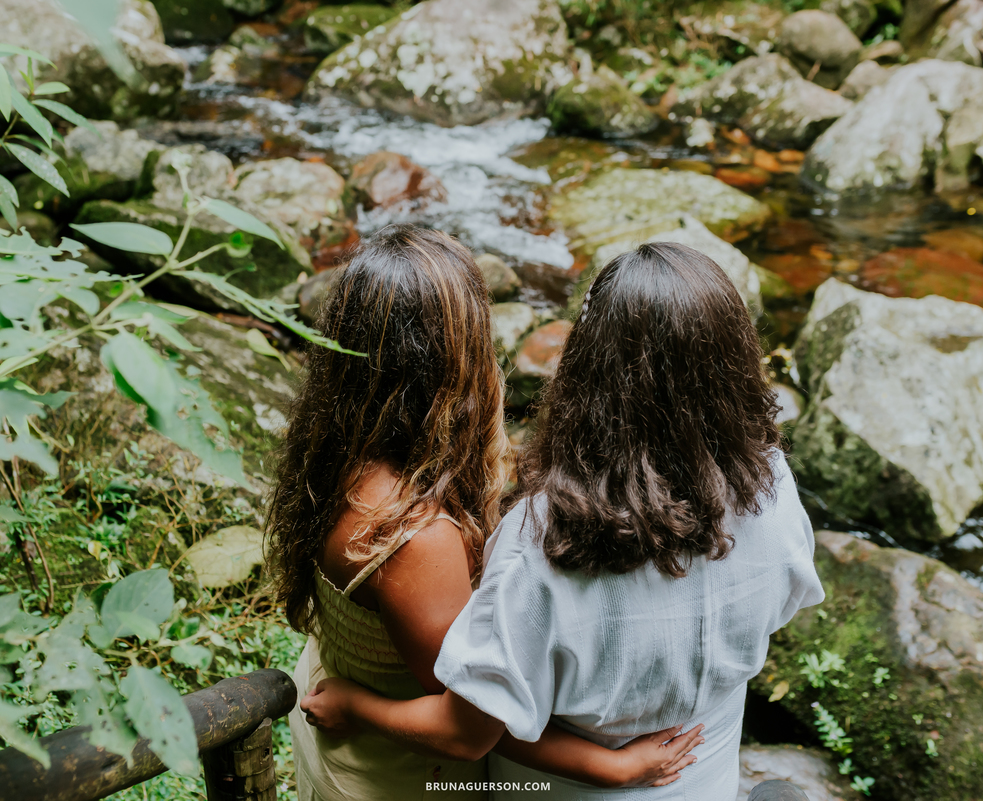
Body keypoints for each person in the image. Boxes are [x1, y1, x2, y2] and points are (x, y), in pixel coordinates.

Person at [298, 242, 826, 800]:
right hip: (702, 769)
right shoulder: (771, 484)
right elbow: (784, 598)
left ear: (586, 370)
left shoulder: (541, 541)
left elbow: (477, 720)